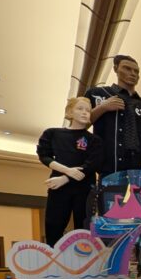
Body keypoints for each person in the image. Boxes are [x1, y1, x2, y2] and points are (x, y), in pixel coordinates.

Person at [84, 54, 141, 207]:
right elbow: (79, 124)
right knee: (110, 215)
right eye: (127, 69)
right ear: (116, 69)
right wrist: (102, 108)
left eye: (136, 71)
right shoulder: (98, 95)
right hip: (111, 168)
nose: (132, 73)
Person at [35, 97, 103, 244]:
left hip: (85, 188)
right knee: (53, 226)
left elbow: (91, 165)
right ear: (69, 112)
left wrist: (65, 178)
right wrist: (66, 170)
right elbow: (44, 155)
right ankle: (53, 256)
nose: (85, 112)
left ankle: (84, 257)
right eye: (80, 108)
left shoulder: (94, 140)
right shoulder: (52, 133)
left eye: (88, 110)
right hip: (58, 188)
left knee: (84, 228)